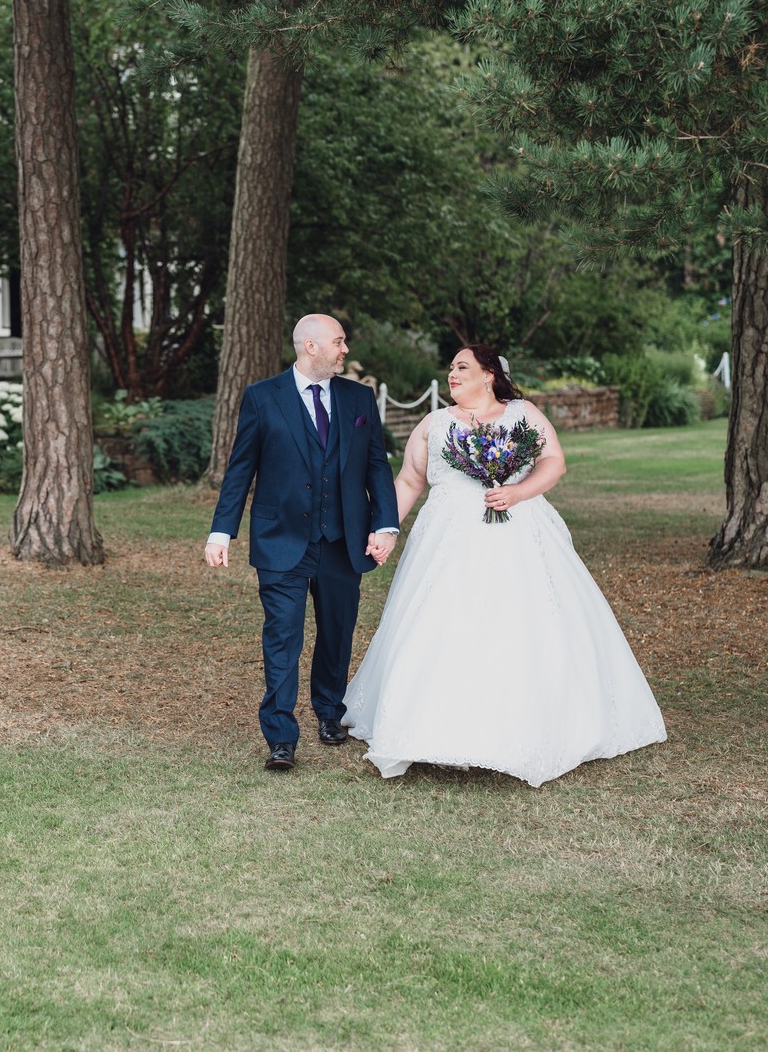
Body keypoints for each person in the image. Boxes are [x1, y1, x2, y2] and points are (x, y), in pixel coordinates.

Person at [341, 344, 667, 786]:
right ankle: (429, 725)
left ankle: (521, 726)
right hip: (446, 541)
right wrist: (385, 529)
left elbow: (554, 462)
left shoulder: (523, 414)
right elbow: (410, 480)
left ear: (489, 374)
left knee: (520, 622)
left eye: (462, 367)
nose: (452, 375)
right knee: (439, 623)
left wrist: (518, 491)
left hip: (518, 531)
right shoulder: (434, 424)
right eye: (451, 368)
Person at [206, 314, 400, 771]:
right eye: (339, 342)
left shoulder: (358, 398)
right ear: (310, 347)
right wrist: (221, 530)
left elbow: (376, 465)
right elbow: (240, 469)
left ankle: (329, 712)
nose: (345, 349)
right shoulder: (262, 397)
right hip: (281, 540)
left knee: (337, 631)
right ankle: (280, 734)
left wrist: (386, 524)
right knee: (282, 637)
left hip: (343, 539)